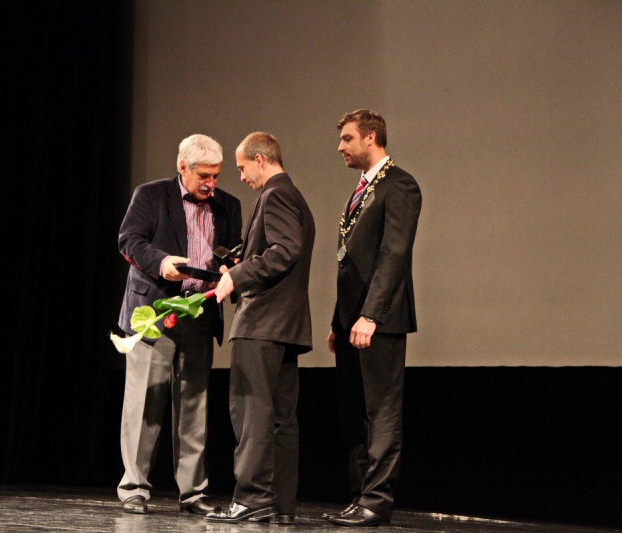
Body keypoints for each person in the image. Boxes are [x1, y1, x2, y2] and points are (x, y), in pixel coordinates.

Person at [115, 134, 242, 515]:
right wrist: (160, 262)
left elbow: (231, 252)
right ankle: (134, 488)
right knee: (145, 403)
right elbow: (129, 240)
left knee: (194, 407)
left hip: (199, 315)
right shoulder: (150, 195)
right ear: (182, 167)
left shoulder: (228, 205)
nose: (211, 183)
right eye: (204, 175)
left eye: (216, 176)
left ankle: (193, 493)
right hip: (154, 313)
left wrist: (231, 268)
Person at [206, 132, 315, 524]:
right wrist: (242, 263)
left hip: (262, 323)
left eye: (241, 168)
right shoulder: (295, 196)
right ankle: (280, 504)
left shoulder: (276, 194)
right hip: (285, 326)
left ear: (259, 159)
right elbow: (280, 251)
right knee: (281, 418)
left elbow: (285, 250)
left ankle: (252, 498)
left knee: (251, 411)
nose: (241, 177)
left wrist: (236, 275)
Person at [325, 110, 422, 527]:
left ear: (370, 137)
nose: (340, 147)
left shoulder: (400, 185)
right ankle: (360, 494)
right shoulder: (365, 187)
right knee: (355, 411)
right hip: (352, 320)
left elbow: (393, 256)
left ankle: (377, 500)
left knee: (381, 411)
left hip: (378, 320)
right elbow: (351, 263)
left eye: (347, 139)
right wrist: (339, 320)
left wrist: (369, 315)